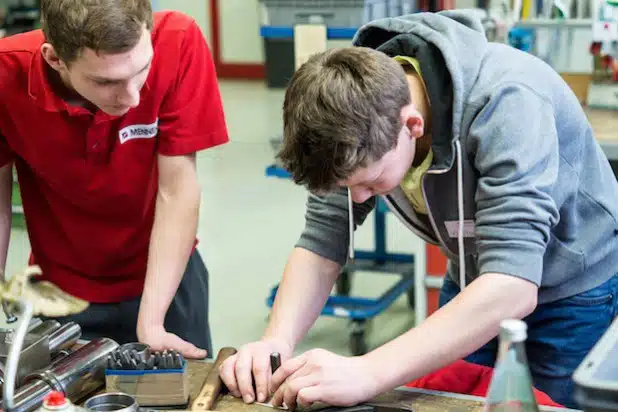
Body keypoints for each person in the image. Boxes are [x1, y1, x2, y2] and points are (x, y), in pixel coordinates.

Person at [219, 10, 618, 410]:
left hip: (573, 289)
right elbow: (322, 244)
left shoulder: (508, 103)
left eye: (370, 183)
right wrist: (275, 341)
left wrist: (368, 372)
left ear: (412, 125)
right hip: (474, 275)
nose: (359, 200)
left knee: (546, 407)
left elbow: (512, 284)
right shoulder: (345, 111)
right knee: (446, 401)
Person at [0, 0, 228, 359]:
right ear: (55, 58)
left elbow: (177, 191)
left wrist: (152, 324)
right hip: (60, 291)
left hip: (167, 276)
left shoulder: (178, 41)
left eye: (143, 69)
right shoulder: (6, 73)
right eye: (106, 82)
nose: (133, 96)